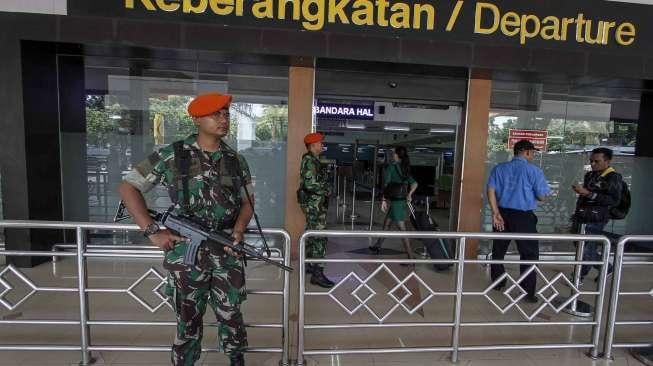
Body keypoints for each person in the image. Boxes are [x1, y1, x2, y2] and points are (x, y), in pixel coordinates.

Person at [119, 93, 252, 366]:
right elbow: (128, 186)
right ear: (196, 119)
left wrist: (239, 229)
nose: (223, 119)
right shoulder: (173, 154)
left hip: (226, 248)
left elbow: (248, 203)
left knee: (231, 312)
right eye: (215, 114)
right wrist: (152, 230)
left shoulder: (236, 159)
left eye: (225, 113)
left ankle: (236, 358)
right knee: (188, 317)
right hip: (186, 252)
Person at [487, 140, 551, 303]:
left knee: (498, 249)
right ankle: (527, 291)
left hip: (502, 214)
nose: (533, 156)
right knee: (529, 253)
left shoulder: (499, 168)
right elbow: (542, 196)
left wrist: (495, 213)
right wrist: (540, 198)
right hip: (523, 217)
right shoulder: (534, 171)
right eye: (533, 152)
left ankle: (498, 282)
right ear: (527, 152)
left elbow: (491, 190)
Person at [572, 147, 621, 283]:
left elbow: (613, 200)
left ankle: (579, 276)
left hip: (596, 218)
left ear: (607, 161)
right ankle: (607, 267)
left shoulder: (613, 177)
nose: (593, 164)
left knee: (587, 247)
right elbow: (586, 194)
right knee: (580, 245)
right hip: (582, 215)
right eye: (591, 161)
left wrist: (588, 193)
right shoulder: (590, 175)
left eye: (596, 161)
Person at [369, 146, 418, 263]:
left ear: (397, 155)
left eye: (394, 153)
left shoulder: (391, 167)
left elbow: (386, 185)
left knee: (402, 230)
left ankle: (410, 257)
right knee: (387, 223)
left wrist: (383, 200)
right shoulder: (405, 168)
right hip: (400, 202)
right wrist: (409, 194)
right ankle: (378, 245)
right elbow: (415, 183)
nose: (392, 155)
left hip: (396, 203)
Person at [298, 132, 335, 288]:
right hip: (314, 204)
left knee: (312, 233)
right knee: (320, 236)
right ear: (312, 145)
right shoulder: (309, 161)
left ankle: (309, 264)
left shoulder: (313, 160)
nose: (322, 145)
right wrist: (327, 189)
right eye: (320, 143)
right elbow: (310, 184)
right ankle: (317, 274)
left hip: (315, 204)